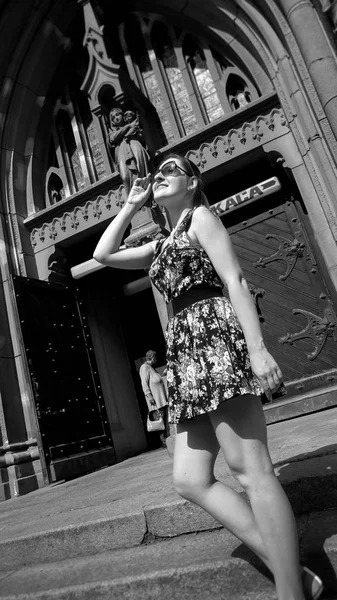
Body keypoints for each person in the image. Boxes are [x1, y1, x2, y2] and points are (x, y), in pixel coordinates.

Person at [93, 153, 323, 600]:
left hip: (214, 338)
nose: (160, 174)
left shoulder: (201, 217)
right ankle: (293, 572)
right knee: (190, 478)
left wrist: (257, 351)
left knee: (251, 469)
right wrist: (131, 204)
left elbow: (234, 279)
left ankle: (291, 591)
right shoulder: (160, 242)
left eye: (172, 170)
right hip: (186, 354)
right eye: (157, 171)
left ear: (194, 183)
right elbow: (103, 254)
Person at [107, 107, 151, 195]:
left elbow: (142, 137)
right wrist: (129, 127)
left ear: (122, 115)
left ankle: (146, 196)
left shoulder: (133, 125)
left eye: (117, 115)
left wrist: (134, 129)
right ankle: (133, 199)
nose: (116, 118)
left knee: (140, 169)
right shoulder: (111, 133)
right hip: (122, 151)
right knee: (125, 176)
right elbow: (113, 138)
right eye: (113, 117)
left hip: (134, 145)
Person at [139, 349, 169, 445]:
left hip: (160, 399)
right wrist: (149, 396)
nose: (156, 360)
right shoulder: (144, 368)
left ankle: (167, 439)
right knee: (160, 421)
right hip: (155, 400)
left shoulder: (151, 367)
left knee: (163, 420)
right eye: (155, 358)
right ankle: (164, 441)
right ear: (152, 358)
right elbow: (144, 383)